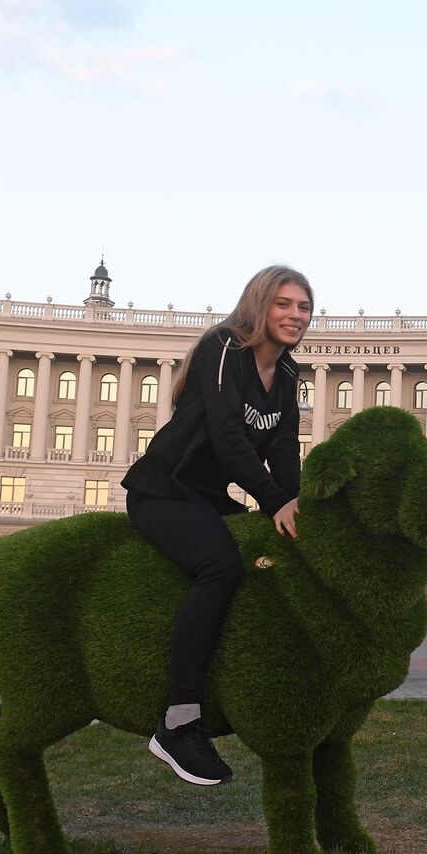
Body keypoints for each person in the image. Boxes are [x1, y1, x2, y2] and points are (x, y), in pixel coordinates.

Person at [122, 265, 312, 787]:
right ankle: (179, 721)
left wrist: (296, 507)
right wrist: (273, 500)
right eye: (284, 304)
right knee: (220, 568)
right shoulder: (224, 347)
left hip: (209, 497)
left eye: (303, 306)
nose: (296, 315)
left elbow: (283, 449)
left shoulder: (291, 373)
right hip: (164, 489)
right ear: (259, 304)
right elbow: (230, 440)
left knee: (266, 558)